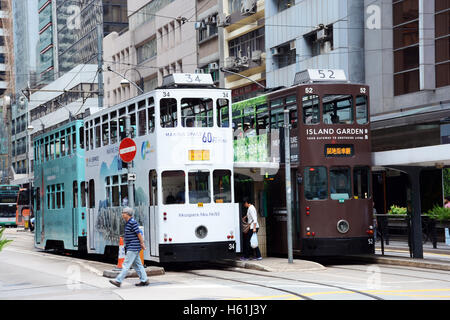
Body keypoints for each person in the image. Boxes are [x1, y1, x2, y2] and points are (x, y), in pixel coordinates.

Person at [109, 207, 149, 288]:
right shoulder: (128, 222)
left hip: (133, 247)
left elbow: (138, 234)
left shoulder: (132, 222)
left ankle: (118, 281)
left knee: (126, 264)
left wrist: (142, 243)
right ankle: (144, 280)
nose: (122, 214)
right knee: (137, 265)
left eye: (123, 213)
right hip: (132, 246)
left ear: (128, 214)